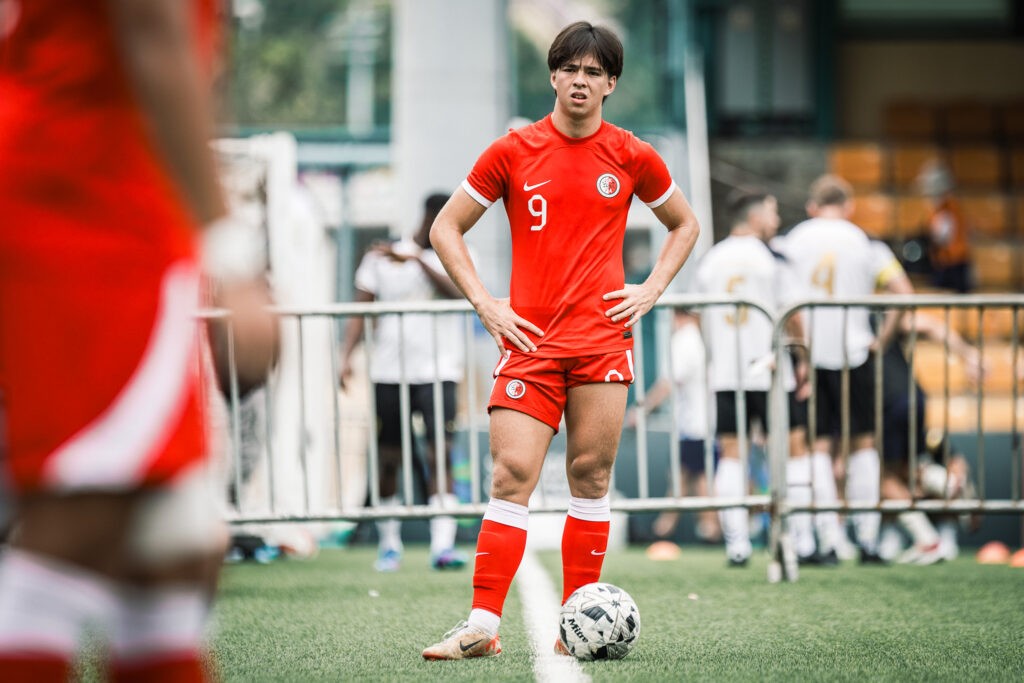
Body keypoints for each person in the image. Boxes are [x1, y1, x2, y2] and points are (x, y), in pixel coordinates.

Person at [0, 2, 279, 680]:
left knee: (174, 543)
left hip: (111, 205)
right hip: (90, 212)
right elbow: (153, 23)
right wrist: (230, 250)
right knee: (82, 519)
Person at [420, 21, 700, 660]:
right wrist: (485, 303)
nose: (580, 81)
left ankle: (576, 629)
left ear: (611, 84)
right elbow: (444, 228)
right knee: (510, 474)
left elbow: (684, 224)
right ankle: (481, 626)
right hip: (530, 344)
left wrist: (651, 289)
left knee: (590, 476)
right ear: (552, 75)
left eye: (593, 72)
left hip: (602, 344)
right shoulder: (512, 150)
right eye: (570, 68)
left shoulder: (631, 154)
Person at [776, 175, 908, 564]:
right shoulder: (866, 242)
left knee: (816, 445)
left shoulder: (792, 241)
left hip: (810, 354)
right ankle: (867, 540)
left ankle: (827, 541)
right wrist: (882, 339)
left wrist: (798, 351)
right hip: (856, 351)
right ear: (849, 206)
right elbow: (903, 293)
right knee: (863, 443)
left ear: (812, 207)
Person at [693, 190, 826, 566]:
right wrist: (803, 358)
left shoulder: (711, 260)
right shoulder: (771, 259)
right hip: (770, 370)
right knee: (793, 450)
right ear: (754, 219)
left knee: (732, 455)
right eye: (771, 212)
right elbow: (794, 313)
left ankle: (737, 546)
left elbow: (698, 317)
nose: (776, 221)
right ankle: (802, 543)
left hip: (727, 373)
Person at [339, 192, 469, 573]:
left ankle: (442, 546)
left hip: (439, 371)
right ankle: (389, 546)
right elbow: (360, 308)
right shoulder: (380, 256)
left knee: (439, 453)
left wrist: (417, 261)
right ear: (428, 216)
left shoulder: (458, 253)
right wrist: (345, 356)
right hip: (388, 372)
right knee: (388, 457)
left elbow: (461, 293)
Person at [628, 308, 720, 546]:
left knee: (695, 478)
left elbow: (667, 384)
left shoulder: (685, 340)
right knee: (687, 476)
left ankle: (707, 529)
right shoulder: (695, 339)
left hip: (694, 425)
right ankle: (671, 528)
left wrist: (642, 409)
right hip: (698, 423)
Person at [916, 160, 972, 293]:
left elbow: (941, 236)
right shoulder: (945, 208)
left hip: (953, 265)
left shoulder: (947, 208)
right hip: (947, 263)